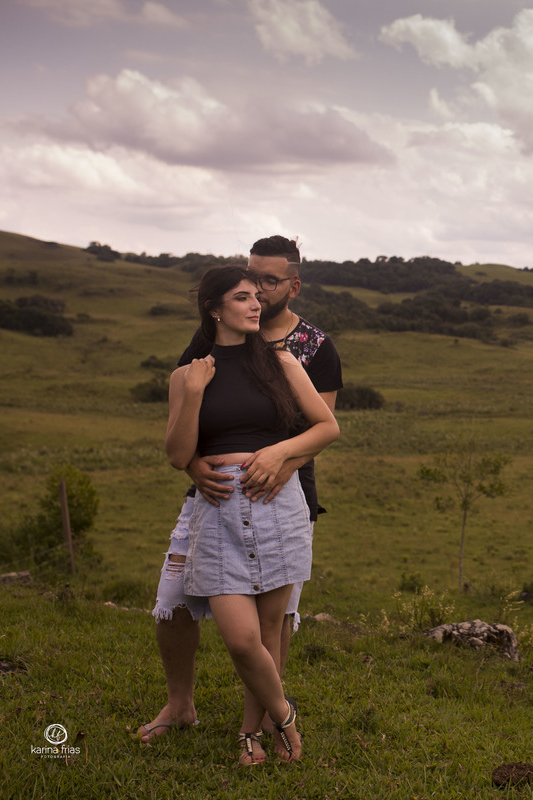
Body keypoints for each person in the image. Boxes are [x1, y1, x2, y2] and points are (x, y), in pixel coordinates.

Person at [138, 237, 342, 744]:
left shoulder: (302, 352)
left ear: (291, 285)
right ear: (216, 307)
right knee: (189, 606)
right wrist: (195, 463)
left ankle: (263, 727)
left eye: (264, 285)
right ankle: (185, 705)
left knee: (274, 624)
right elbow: (179, 448)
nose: (257, 297)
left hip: (280, 493)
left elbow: (322, 427)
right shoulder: (195, 362)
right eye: (247, 288)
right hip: (213, 501)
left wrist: (277, 458)